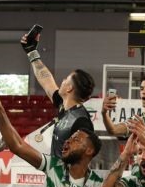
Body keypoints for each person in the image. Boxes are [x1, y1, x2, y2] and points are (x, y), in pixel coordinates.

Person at [20, 27, 95, 158]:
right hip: (54, 169)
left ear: (69, 88)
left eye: (66, 79)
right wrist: (32, 52)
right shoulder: (63, 105)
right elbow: (46, 80)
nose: (63, 80)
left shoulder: (81, 121)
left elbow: (84, 157)